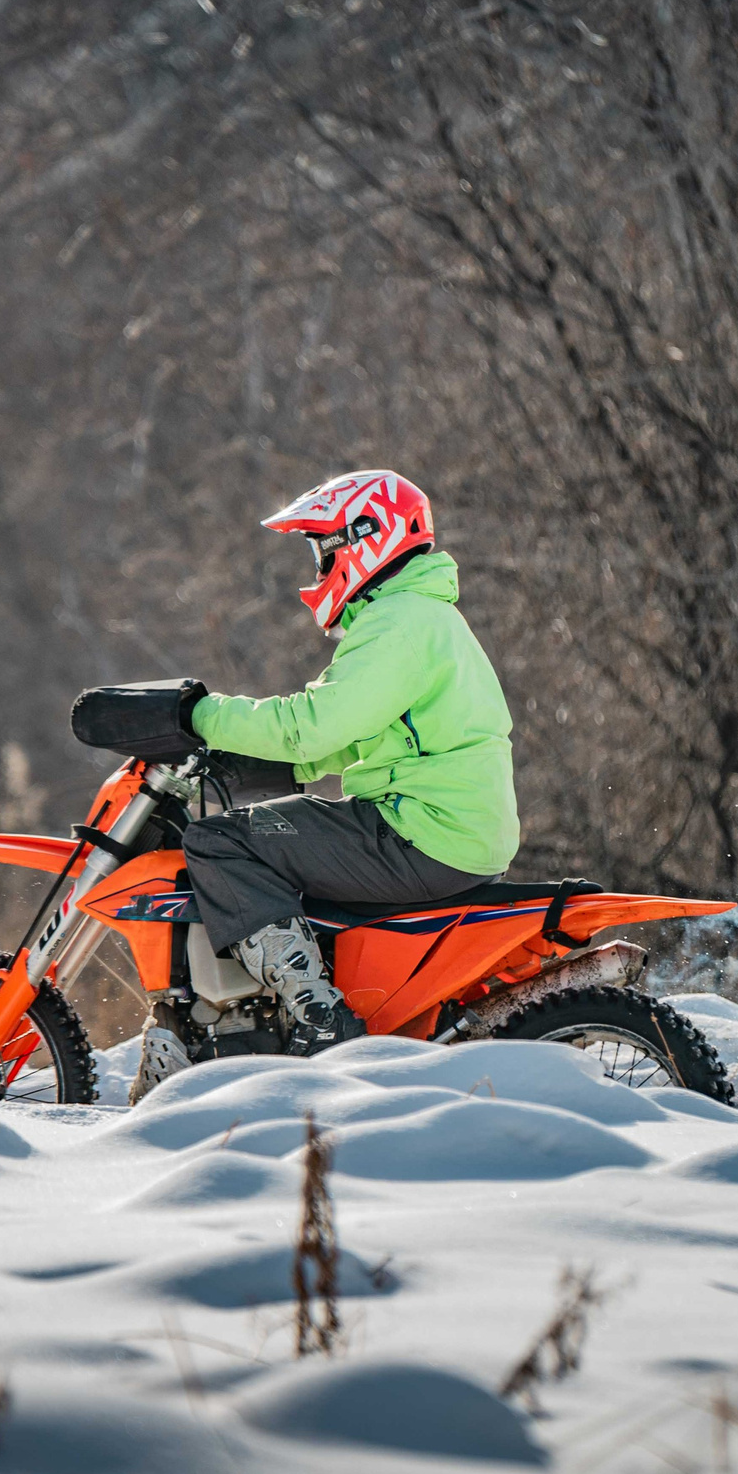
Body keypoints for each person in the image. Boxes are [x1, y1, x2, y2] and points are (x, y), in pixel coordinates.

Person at [133, 470, 519, 1100]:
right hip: (445, 828)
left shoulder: (399, 623)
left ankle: (319, 1017)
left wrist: (196, 715)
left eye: (325, 549)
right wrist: (263, 765)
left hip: (420, 830)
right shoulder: (420, 616)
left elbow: (309, 727)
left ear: (366, 538)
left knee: (218, 842)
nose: (320, 566)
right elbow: (351, 736)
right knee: (275, 829)